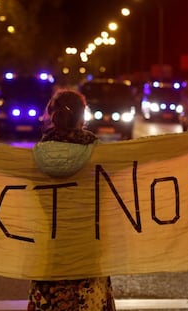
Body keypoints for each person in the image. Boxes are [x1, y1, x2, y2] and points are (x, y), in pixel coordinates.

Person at [28, 89, 117, 310]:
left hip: (54, 246)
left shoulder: (39, 154)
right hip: (87, 246)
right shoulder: (96, 153)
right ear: (81, 116)